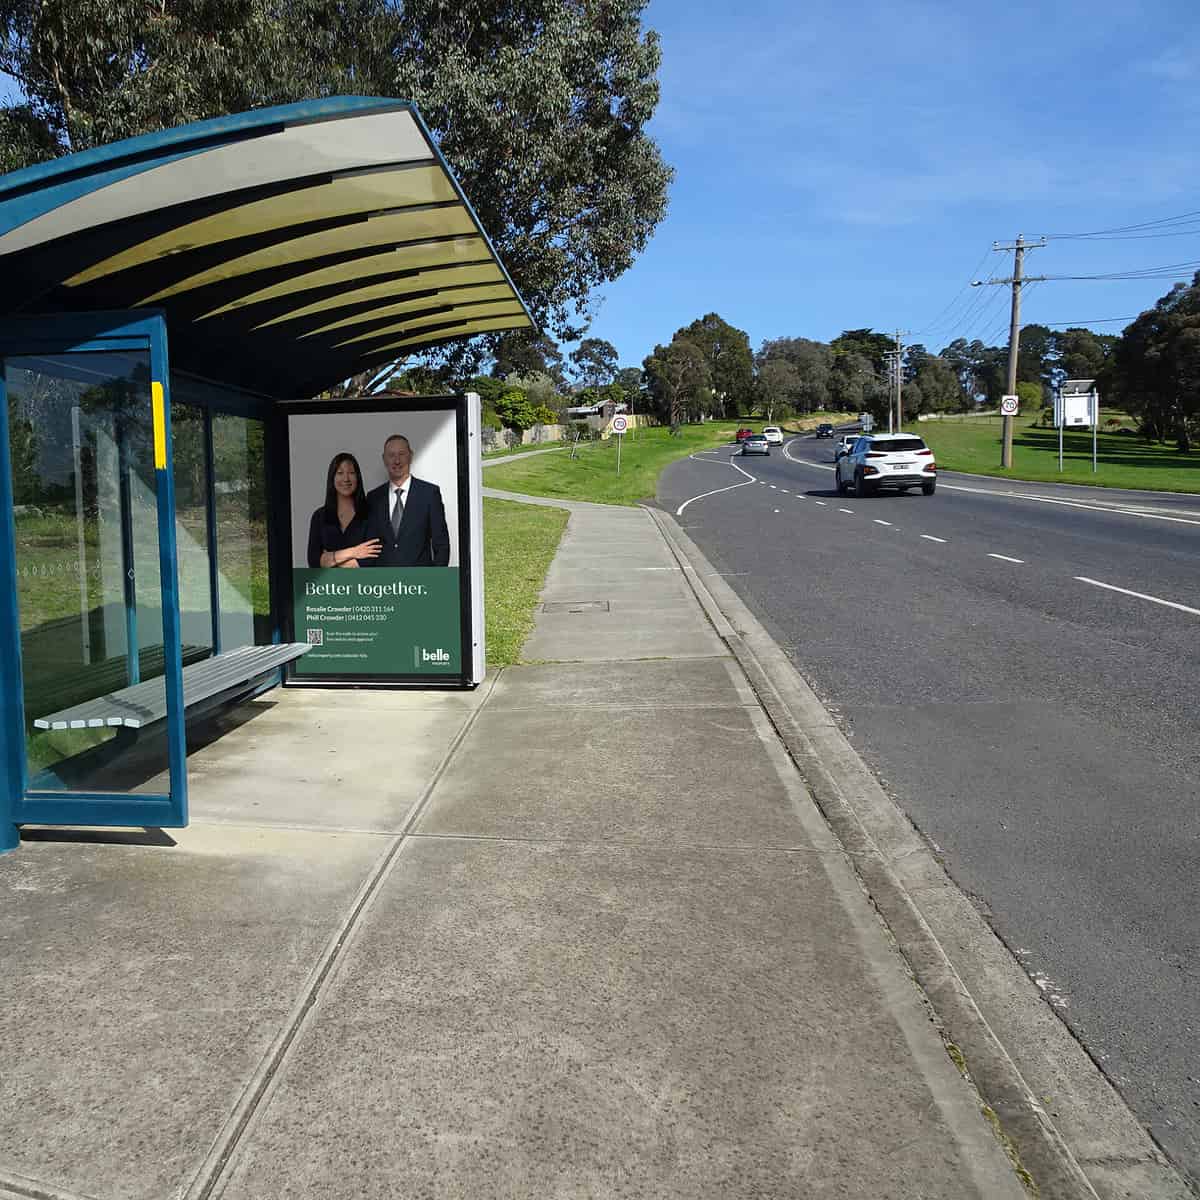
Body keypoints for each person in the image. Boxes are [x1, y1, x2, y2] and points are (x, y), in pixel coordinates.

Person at [362, 434, 450, 566]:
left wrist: (436, 581)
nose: (397, 461)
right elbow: (370, 547)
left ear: (411, 456)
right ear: (384, 459)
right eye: (391, 455)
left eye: (401, 454)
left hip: (421, 583)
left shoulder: (429, 494)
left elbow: (441, 544)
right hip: (384, 583)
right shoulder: (373, 498)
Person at [306, 452, 381, 568]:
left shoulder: (371, 514)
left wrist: (329, 558)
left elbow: (370, 561)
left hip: (363, 585)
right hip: (328, 586)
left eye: (351, 473)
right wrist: (354, 552)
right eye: (340, 473)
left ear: (358, 477)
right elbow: (314, 561)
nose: (346, 478)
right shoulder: (319, 516)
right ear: (332, 478)